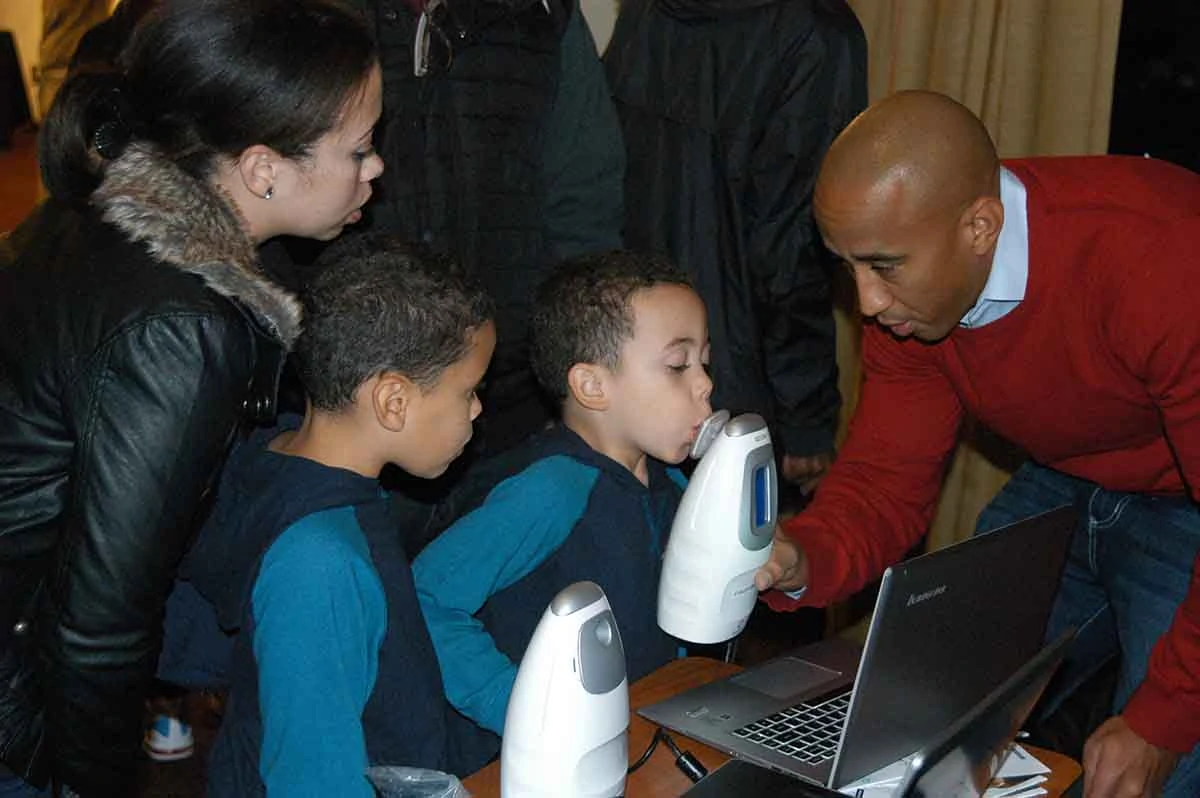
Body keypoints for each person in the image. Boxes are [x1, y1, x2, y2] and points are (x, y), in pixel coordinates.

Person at [753, 90, 1200, 798]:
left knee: (1155, 770)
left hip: (1186, 505)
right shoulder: (915, 303)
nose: (865, 302)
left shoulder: (1161, 259)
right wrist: (798, 556)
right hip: (1070, 472)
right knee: (915, 711)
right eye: (848, 267)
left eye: (884, 266)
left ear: (981, 227)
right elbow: (882, 483)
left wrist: (1162, 723)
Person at [0, 0, 383, 793]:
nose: (375, 169)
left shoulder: (103, 217)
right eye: (360, 148)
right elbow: (98, 625)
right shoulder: (181, 326)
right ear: (263, 168)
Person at [173, 233, 494, 795]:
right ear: (393, 402)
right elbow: (312, 778)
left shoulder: (274, 456)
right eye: (468, 390)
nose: (478, 408)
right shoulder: (319, 563)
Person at [344, 0, 627, 555]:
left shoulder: (544, 14)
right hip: (349, 416)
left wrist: (571, 375)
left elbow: (585, 210)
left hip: (507, 411)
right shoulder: (313, 17)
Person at [413, 251, 713, 765]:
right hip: (528, 767)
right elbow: (424, 600)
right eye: (678, 365)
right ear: (592, 386)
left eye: (705, 361)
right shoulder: (551, 490)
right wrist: (523, 711)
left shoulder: (673, 480)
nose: (705, 382)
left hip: (634, 741)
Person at [604, 0, 866, 496]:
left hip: (625, 356)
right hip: (735, 380)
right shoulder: (817, 33)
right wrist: (806, 413)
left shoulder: (651, 9)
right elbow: (792, 247)